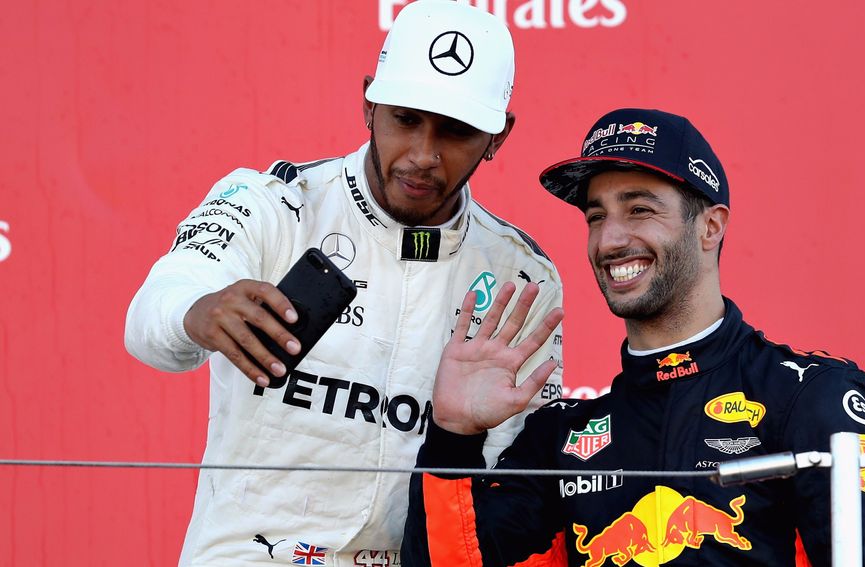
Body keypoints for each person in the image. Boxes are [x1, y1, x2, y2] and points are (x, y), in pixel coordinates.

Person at [124, 1, 564, 565]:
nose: (423, 155)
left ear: (498, 137)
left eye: (457, 131)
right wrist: (197, 311)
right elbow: (150, 320)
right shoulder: (274, 205)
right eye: (406, 119)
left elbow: (513, 489)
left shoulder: (520, 275)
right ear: (368, 104)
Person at [402, 108, 865, 566]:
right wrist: (454, 436)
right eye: (597, 216)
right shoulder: (560, 436)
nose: (610, 239)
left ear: (710, 227)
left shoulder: (814, 397)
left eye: (640, 209)